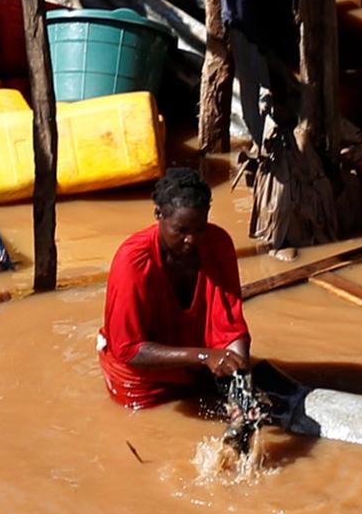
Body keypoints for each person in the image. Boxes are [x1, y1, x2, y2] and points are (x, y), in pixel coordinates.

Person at [101, 167, 263, 408]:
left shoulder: (218, 245)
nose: (192, 239)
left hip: (196, 369)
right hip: (141, 382)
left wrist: (240, 380)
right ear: (159, 214)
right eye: (181, 230)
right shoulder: (133, 261)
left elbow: (230, 326)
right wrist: (203, 356)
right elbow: (129, 351)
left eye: (200, 229)